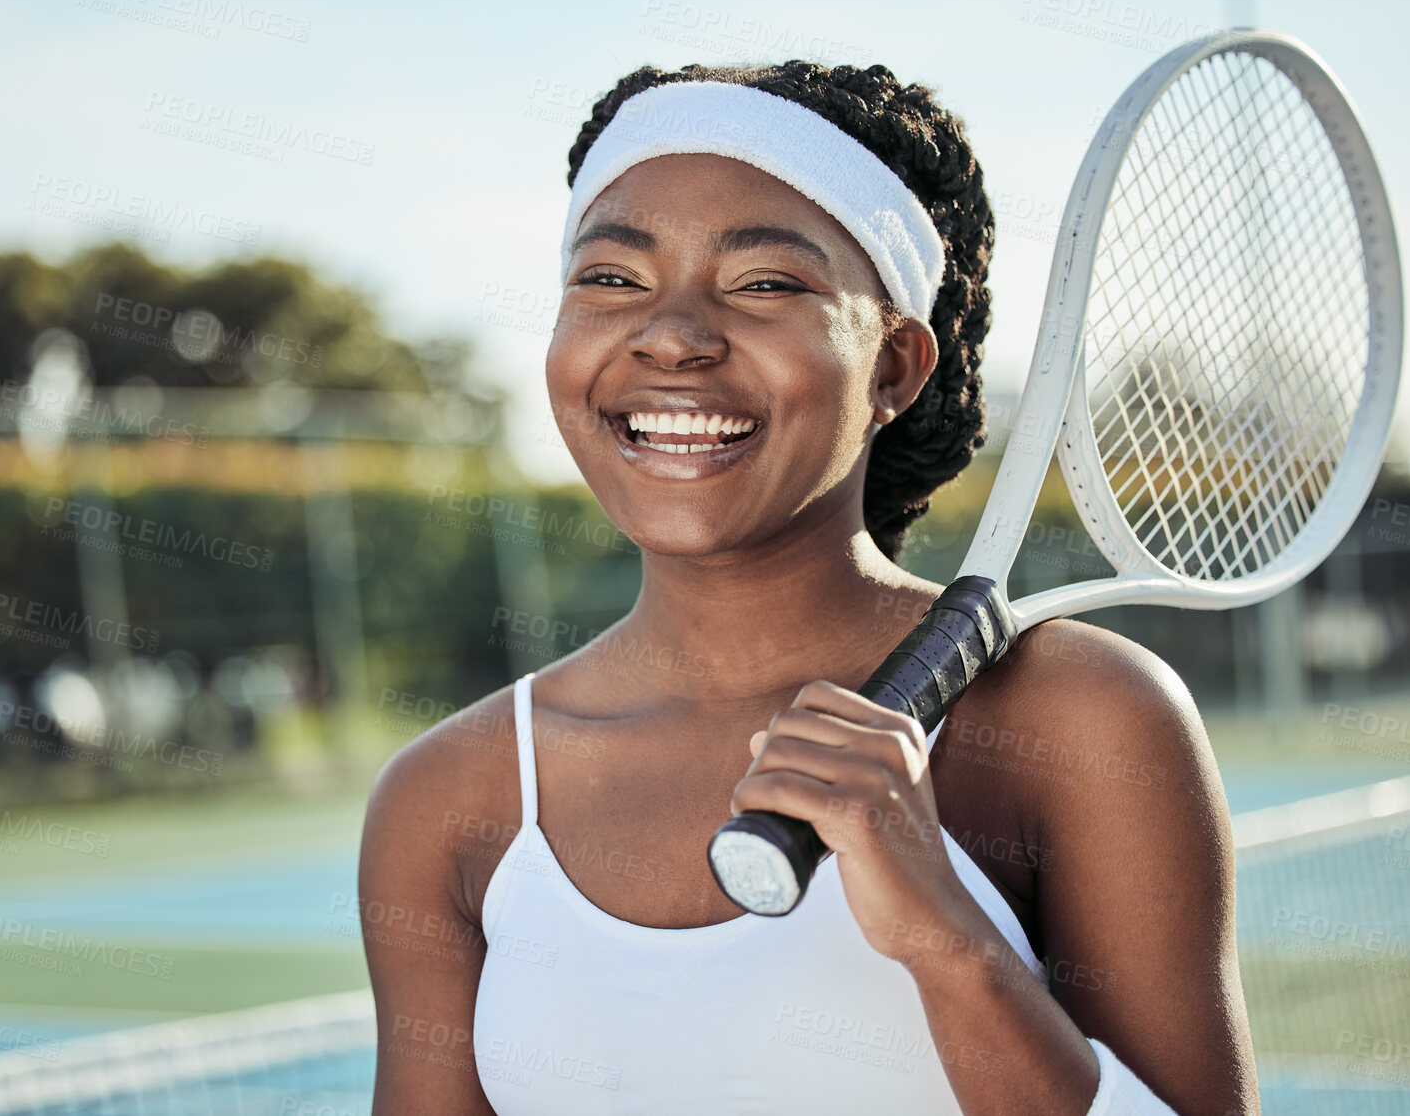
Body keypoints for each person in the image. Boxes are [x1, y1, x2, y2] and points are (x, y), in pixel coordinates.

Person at [358, 59, 1257, 1115]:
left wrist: (945, 940)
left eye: (766, 284)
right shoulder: (447, 801)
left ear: (894, 368)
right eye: (610, 279)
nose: (675, 336)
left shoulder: (1089, 719)